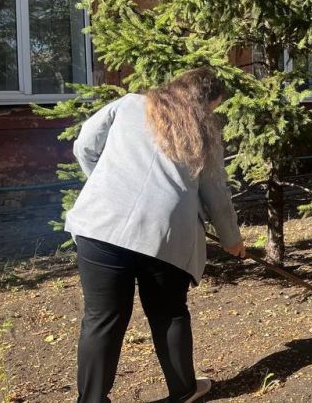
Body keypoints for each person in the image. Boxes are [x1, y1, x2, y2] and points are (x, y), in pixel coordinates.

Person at [65, 67, 245, 403]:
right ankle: (183, 391)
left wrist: (108, 186)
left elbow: (84, 146)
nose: (211, 115)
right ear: (205, 103)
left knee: (101, 318)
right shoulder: (204, 132)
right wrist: (230, 238)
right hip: (163, 235)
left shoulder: (129, 104)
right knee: (169, 312)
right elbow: (215, 191)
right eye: (212, 108)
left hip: (99, 226)